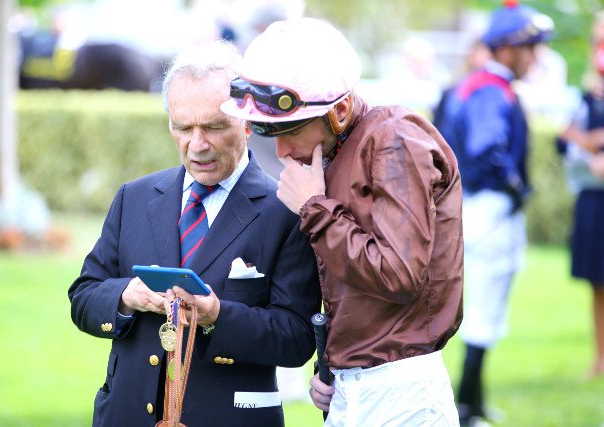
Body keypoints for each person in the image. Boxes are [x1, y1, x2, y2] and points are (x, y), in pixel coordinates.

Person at [221, 17, 464, 426]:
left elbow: (399, 275)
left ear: (340, 110)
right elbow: (352, 291)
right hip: (355, 387)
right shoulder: (340, 148)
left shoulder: (394, 138)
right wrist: (332, 365)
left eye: (290, 130)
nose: (282, 151)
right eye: (268, 132)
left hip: (402, 390)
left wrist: (313, 207)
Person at [68, 40, 321, 427]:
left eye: (214, 127)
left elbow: (296, 337)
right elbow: (83, 297)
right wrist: (127, 296)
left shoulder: (286, 209)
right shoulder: (134, 197)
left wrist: (217, 315)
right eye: (183, 127)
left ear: (248, 123)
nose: (197, 144)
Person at [433, 2, 554, 425]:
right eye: (530, 48)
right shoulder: (492, 89)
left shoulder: (476, 84)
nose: (536, 56)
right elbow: (487, 148)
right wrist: (516, 184)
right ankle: (467, 407)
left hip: (474, 205)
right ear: (507, 49)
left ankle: (474, 401)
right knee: (486, 305)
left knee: (484, 302)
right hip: (488, 206)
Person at [558, 10, 604, 381]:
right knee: (597, 282)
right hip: (594, 198)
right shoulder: (586, 95)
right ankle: (600, 359)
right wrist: (588, 144)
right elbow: (565, 139)